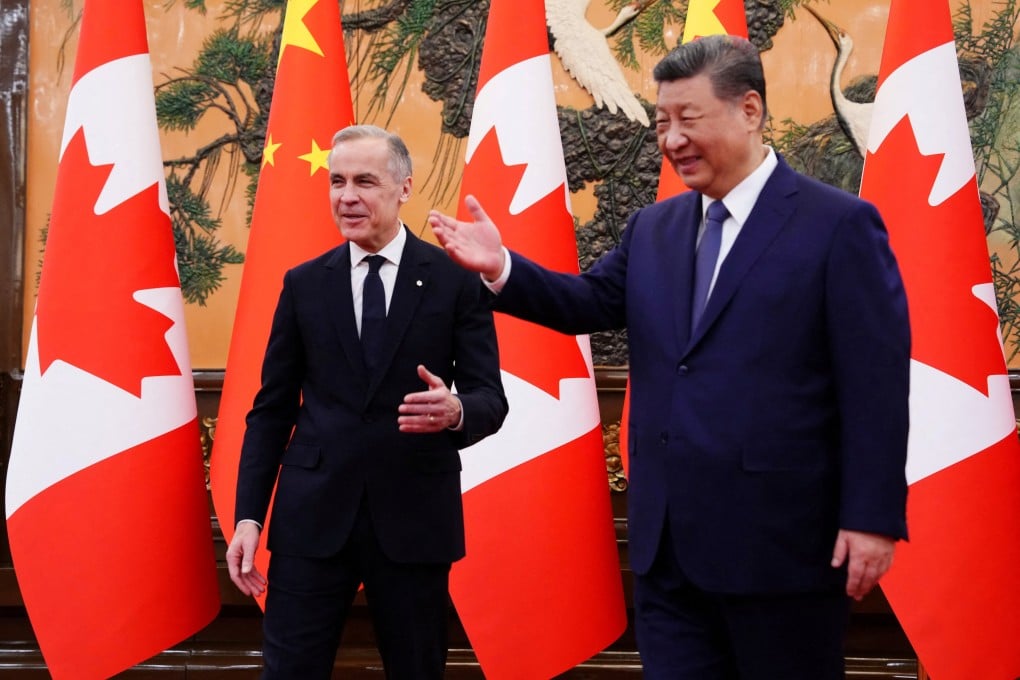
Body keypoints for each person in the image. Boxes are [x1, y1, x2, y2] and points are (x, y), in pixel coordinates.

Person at [429, 35, 910, 680]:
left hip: (782, 548)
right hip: (668, 550)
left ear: (749, 110)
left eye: (689, 119)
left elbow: (875, 385)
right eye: (662, 122)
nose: (673, 138)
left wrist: (872, 519)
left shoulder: (839, 226)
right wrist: (503, 269)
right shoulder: (655, 227)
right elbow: (591, 301)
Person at [226, 124, 508, 679]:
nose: (346, 196)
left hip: (413, 520)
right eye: (336, 181)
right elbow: (271, 409)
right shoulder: (305, 284)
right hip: (312, 520)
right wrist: (248, 516)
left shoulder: (453, 280)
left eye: (364, 181)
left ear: (404, 187)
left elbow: (489, 398)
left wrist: (456, 412)